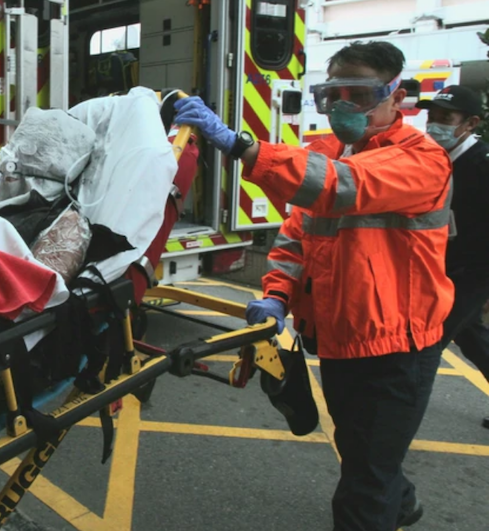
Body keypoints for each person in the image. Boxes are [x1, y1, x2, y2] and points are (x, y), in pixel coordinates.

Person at [174, 41, 452, 530]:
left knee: (363, 486)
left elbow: (341, 186)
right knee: (360, 448)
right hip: (343, 338)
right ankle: (400, 500)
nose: (343, 105)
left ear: (397, 96)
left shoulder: (421, 160)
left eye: (359, 94)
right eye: (333, 93)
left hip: (395, 347)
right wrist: (277, 295)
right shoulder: (330, 153)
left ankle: (386, 501)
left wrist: (241, 145)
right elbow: (296, 240)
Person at [419, 85, 489, 429]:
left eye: (445, 118)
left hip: (475, 271)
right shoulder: (433, 157)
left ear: (471, 123)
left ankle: (394, 416)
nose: (434, 125)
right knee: (471, 335)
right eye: (431, 116)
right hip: (442, 265)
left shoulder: (482, 165)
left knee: (429, 342)